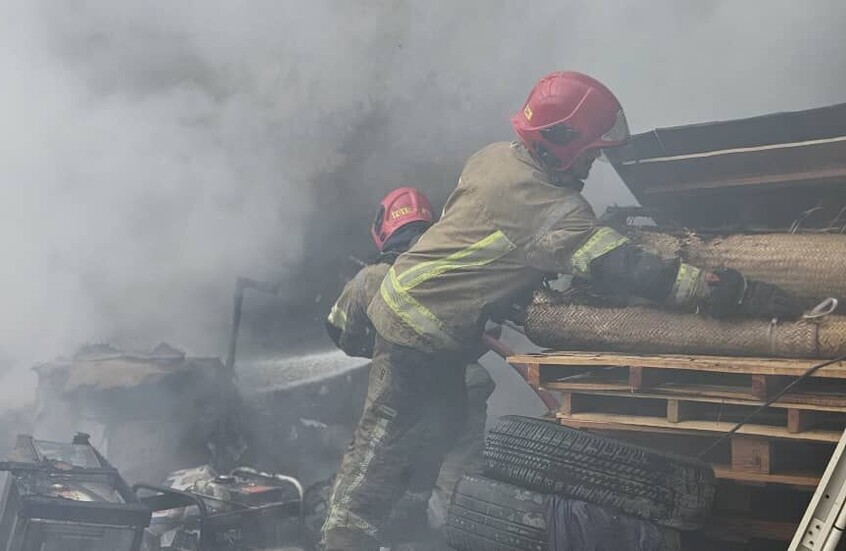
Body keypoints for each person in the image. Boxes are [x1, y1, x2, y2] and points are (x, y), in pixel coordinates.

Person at [321, 71, 803, 551]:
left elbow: (488, 239)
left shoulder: (492, 158)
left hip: (429, 322)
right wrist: (721, 290)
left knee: (439, 432)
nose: (596, 160)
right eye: (592, 149)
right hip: (417, 333)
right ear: (561, 140)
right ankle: (342, 540)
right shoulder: (547, 208)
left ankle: (400, 534)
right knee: (381, 449)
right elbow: (624, 267)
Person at [324, 187, 495, 545]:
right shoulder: (457, 272)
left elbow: (339, 330)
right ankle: (448, 538)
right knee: (457, 488)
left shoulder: (372, 278)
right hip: (466, 385)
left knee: (361, 492)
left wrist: (378, 339)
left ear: (383, 230)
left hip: (404, 391)